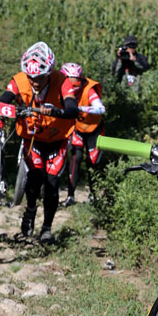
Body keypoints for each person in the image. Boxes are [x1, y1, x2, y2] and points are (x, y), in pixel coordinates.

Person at [0, 41, 78, 244]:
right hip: (31, 139)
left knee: (51, 185)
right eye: (31, 77)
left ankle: (47, 228)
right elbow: (4, 99)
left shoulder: (62, 81)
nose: (35, 82)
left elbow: (72, 108)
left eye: (40, 78)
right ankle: (31, 209)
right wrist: (0, 109)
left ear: (49, 73)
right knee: (34, 180)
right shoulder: (19, 80)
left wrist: (57, 111)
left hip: (57, 141)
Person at [59, 62, 106, 207]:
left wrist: (80, 108)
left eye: (77, 82)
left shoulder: (88, 89)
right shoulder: (60, 89)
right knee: (76, 158)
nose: (75, 86)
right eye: (70, 83)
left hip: (94, 129)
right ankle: (70, 196)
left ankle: (93, 195)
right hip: (77, 128)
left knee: (93, 162)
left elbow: (100, 109)